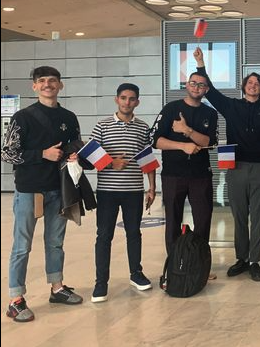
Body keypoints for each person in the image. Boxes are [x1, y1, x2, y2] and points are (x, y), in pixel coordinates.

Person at [1, 66, 84, 322]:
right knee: (22, 246)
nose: (48, 84)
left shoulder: (69, 117)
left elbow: (76, 142)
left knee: (55, 242)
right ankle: (16, 299)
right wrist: (42, 154)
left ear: (60, 86)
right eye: (42, 81)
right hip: (29, 190)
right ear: (34, 87)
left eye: (53, 81)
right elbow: (7, 153)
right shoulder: (22, 117)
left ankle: (57, 287)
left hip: (60, 188)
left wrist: (74, 152)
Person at [194, 46, 260, 282]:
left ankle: (255, 261)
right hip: (236, 168)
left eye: (257, 83)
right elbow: (209, 91)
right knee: (239, 216)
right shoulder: (231, 106)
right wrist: (201, 64)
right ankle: (241, 258)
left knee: (259, 216)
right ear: (244, 87)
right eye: (249, 82)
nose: (253, 85)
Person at [89, 83, 157, 303]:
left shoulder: (142, 127)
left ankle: (136, 273)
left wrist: (152, 187)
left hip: (133, 191)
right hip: (107, 191)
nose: (127, 102)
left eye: (132, 99)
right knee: (104, 236)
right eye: (123, 98)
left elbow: (148, 161)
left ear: (137, 102)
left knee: (134, 233)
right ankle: (101, 283)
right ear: (116, 99)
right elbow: (91, 156)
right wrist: (111, 163)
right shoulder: (102, 126)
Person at [153, 70, 218, 261]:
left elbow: (208, 142)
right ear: (187, 85)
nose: (196, 87)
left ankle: (199, 263)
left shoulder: (210, 113)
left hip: (200, 175)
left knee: (203, 220)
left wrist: (187, 130)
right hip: (173, 174)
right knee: (173, 220)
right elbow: (155, 140)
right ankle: (175, 264)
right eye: (193, 83)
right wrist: (183, 146)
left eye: (201, 85)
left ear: (206, 89)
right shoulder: (170, 108)